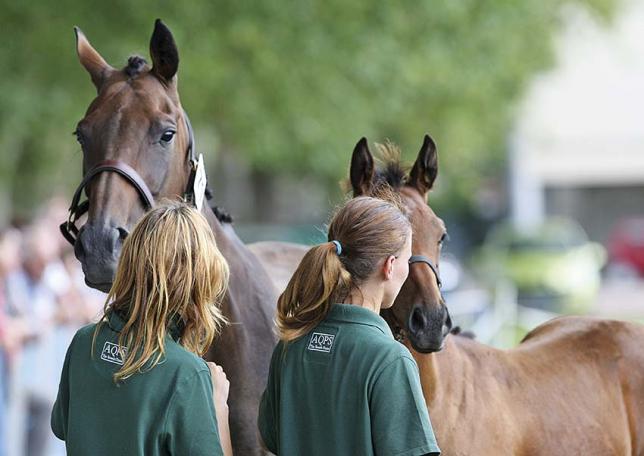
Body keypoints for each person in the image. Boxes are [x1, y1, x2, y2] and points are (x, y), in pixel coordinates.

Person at [258, 194, 441, 455]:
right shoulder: (389, 359)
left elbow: (270, 438)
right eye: (407, 260)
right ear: (389, 266)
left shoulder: (290, 346)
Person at [51, 201, 233, 456]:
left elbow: (62, 426)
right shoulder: (187, 373)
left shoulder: (83, 342)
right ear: (198, 280)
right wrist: (218, 407)